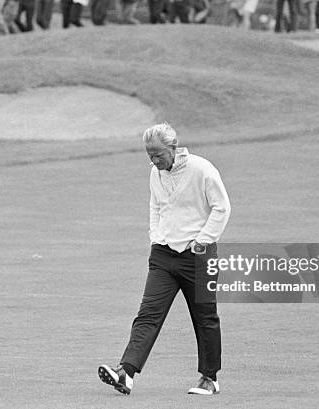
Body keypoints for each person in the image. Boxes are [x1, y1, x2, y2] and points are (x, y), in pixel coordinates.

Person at [98, 123, 231, 396]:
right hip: (163, 255)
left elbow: (222, 207)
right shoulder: (155, 173)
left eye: (158, 154)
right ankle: (126, 372)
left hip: (199, 256)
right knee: (147, 315)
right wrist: (155, 237)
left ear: (173, 148)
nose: (154, 160)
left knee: (204, 317)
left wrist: (203, 240)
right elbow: (155, 206)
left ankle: (209, 378)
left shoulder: (201, 169)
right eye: (149, 155)